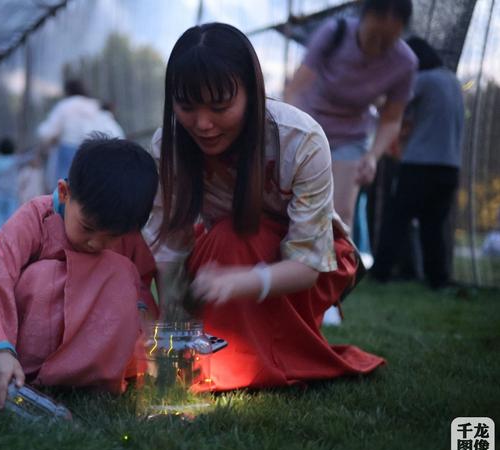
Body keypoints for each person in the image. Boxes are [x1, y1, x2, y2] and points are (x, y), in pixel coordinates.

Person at [143, 23, 384, 392]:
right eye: (187, 107)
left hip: (307, 265)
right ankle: (246, 358)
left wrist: (246, 281)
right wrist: (173, 332)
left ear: (252, 93)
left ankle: (253, 363)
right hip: (226, 255)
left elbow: (307, 264)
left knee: (236, 237)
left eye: (220, 107)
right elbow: (168, 249)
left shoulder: (299, 139)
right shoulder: (169, 145)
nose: (203, 124)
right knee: (227, 238)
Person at [0, 137, 159, 408]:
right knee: (43, 277)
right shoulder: (34, 218)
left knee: (124, 274)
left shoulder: (125, 230)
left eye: (112, 237)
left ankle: (90, 377)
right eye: (87, 227)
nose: (96, 243)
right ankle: (15, 371)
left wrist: (152, 351)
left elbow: (142, 295)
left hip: (93, 357)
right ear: (64, 192)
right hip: (24, 353)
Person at [284, 0, 417, 236]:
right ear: (364, 17)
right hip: (310, 128)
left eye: (388, 40)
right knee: (295, 204)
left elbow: (391, 119)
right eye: (374, 35)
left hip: (351, 137)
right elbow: (296, 88)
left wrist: (373, 156)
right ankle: (288, 265)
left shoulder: (405, 63)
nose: (378, 46)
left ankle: (336, 270)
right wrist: (290, 134)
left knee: (340, 213)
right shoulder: (334, 33)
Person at [370, 37, 465, 288]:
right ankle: (438, 279)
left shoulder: (424, 80)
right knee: (433, 225)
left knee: (396, 218)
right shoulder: (453, 81)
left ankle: (380, 272)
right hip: (450, 166)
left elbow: (391, 107)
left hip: (420, 164)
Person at [37, 79, 124, 191]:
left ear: (68, 91)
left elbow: (48, 132)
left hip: (68, 150)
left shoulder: (65, 106)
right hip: (91, 150)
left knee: (66, 189)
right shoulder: (94, 105)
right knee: (88, 189)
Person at [0, 137, 29, 238]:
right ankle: (11, 235)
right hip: (11, 193)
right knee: (12, 215)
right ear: (13, 149)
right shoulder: (15, 160)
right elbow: (27, 158)